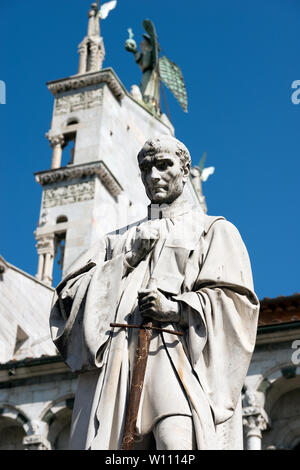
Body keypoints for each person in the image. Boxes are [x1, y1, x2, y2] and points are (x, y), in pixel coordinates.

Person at [50, 135, 259, 450]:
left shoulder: (214, 231)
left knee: (176, 442)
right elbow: (67, 302)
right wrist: (127, 261)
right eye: (146, 169)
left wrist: (177, 309)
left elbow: (236, 305)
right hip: (117, 373)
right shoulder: (115, 242)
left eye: (164, 166)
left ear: (185, 169)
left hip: (176, 361)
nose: (154, 176)